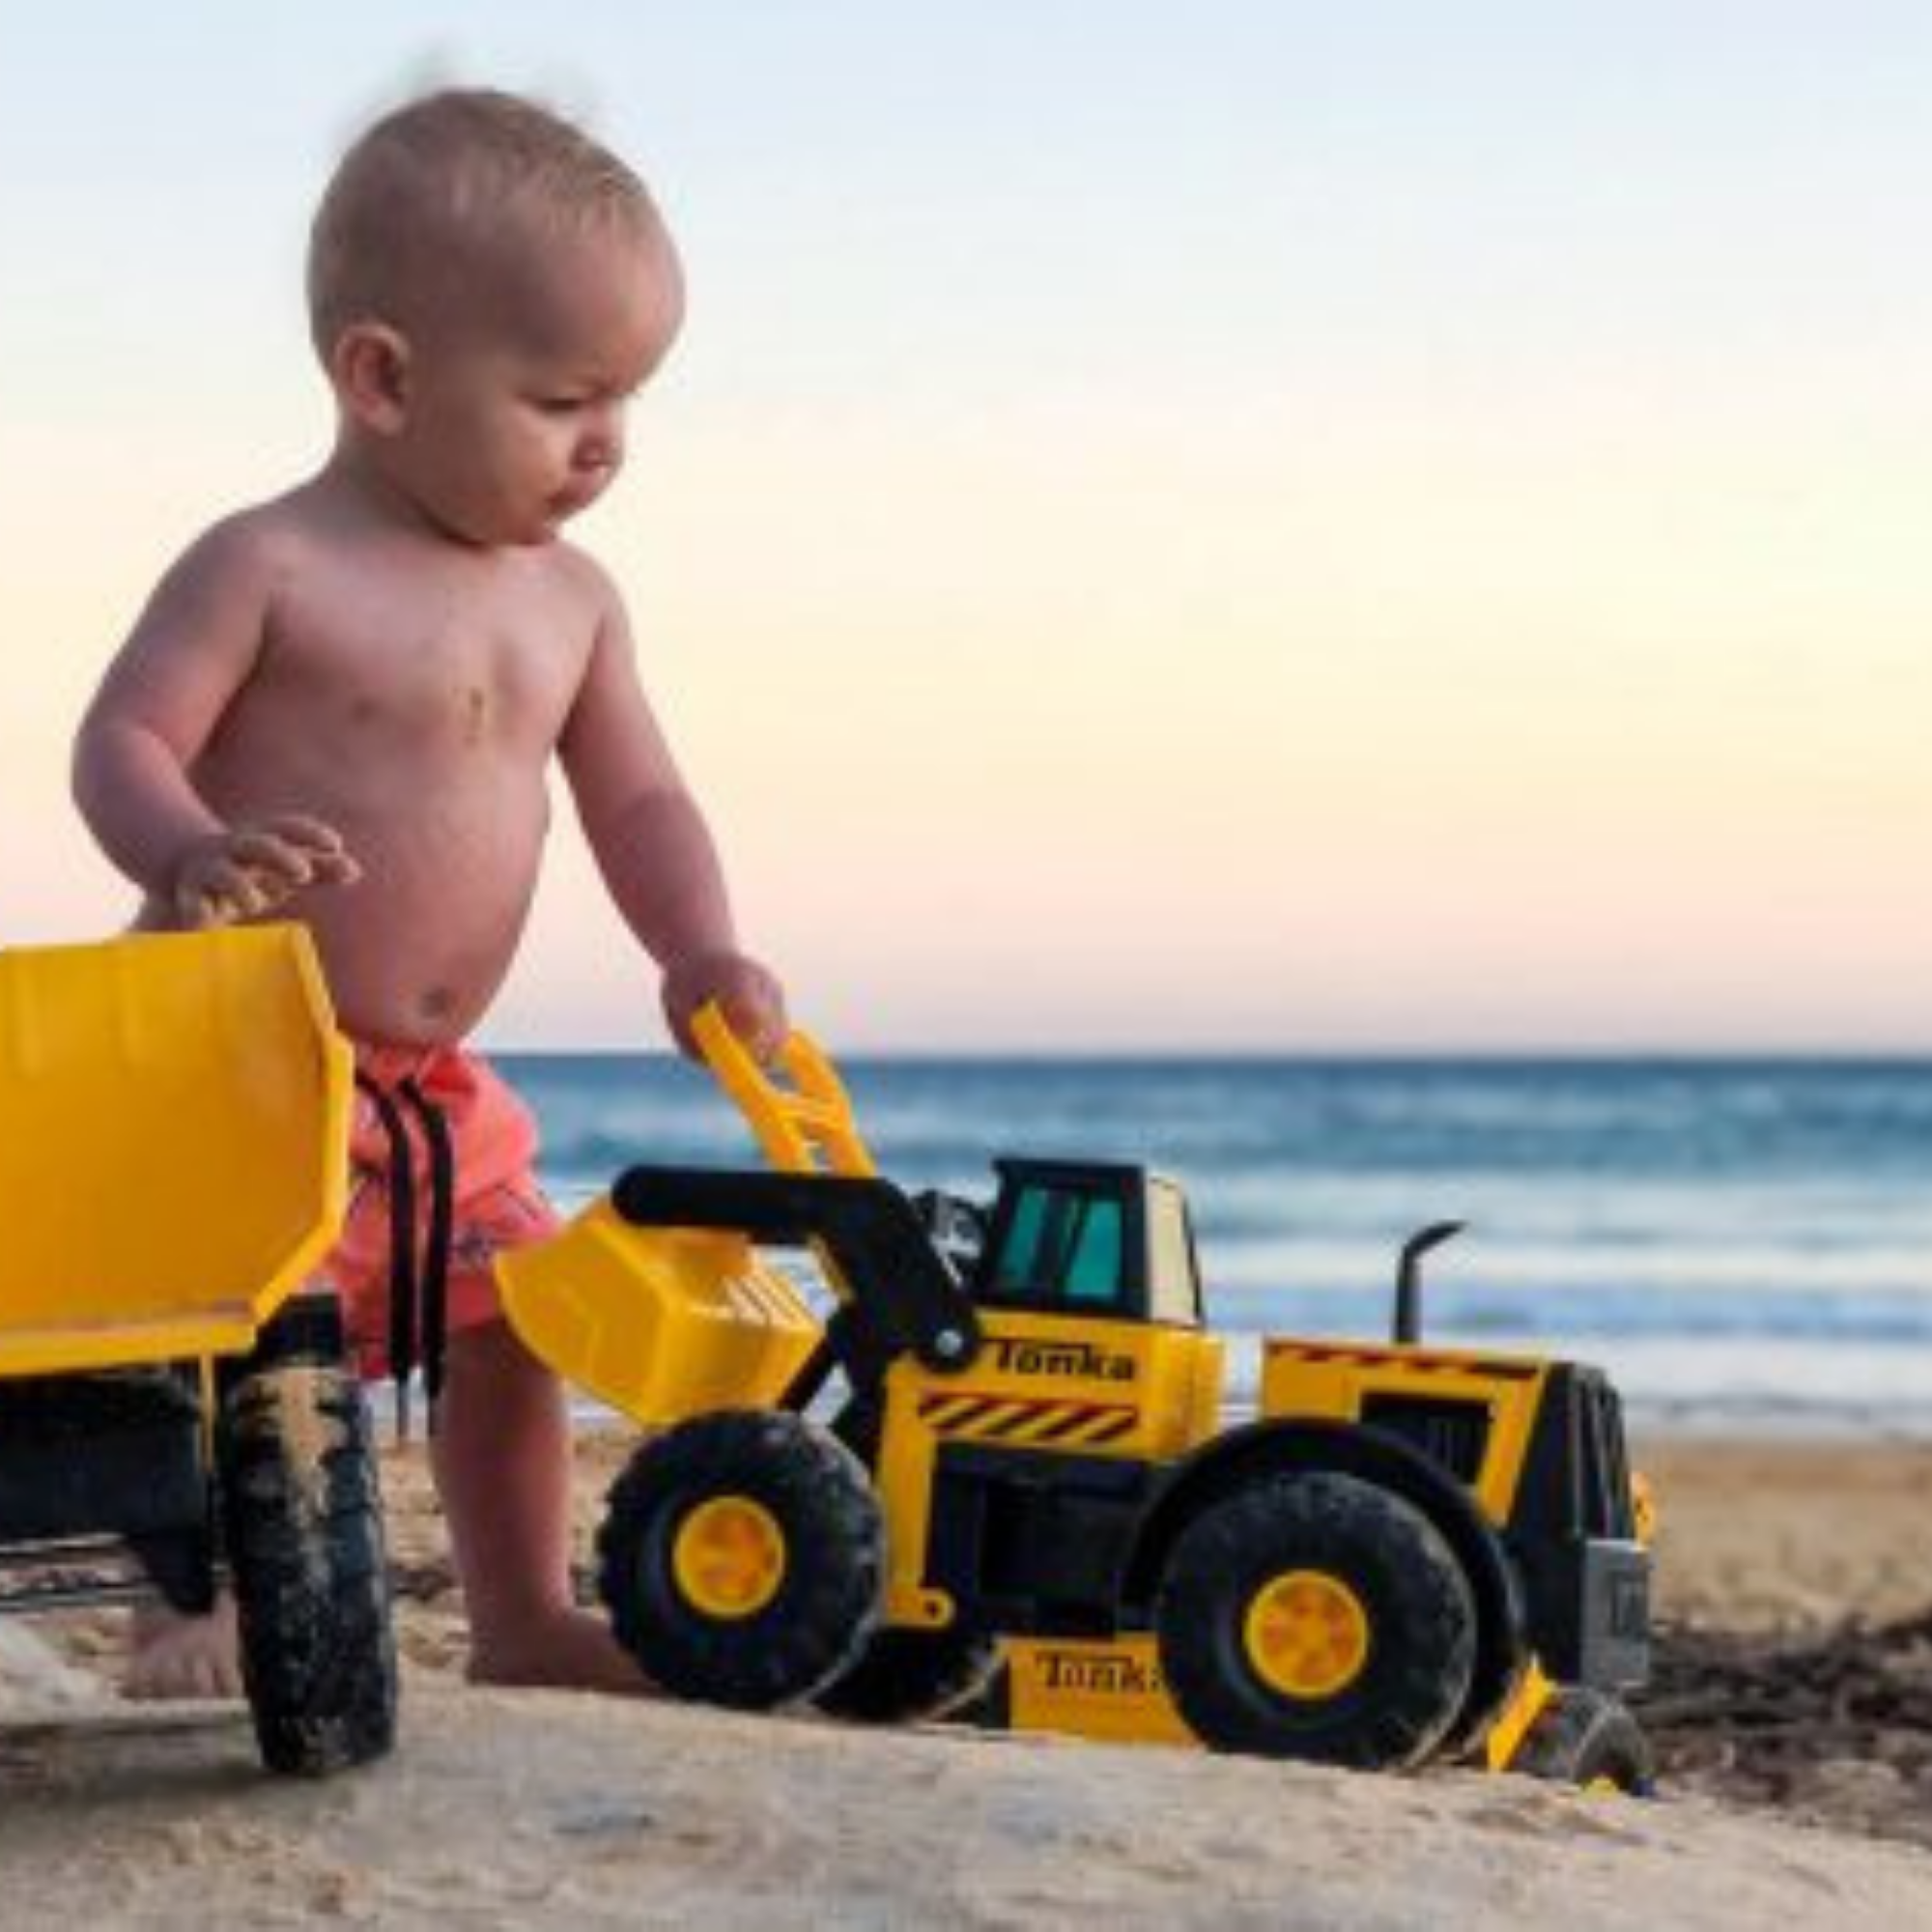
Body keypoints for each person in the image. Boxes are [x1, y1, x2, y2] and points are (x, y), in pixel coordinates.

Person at [71, 87, 786, 1698]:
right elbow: (121, 735)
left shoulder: (576, 604)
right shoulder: (269, 565)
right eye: (559, 399)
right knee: (233, 1347)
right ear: (382, 378)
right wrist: (185, 850)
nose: (605, 441)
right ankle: (194, 1600)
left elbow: (641, 795)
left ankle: (522, 1617)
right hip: (245, 1054)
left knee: (516, 1322)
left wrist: (701, 945)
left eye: (626, 400)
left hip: (431, 1090)